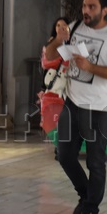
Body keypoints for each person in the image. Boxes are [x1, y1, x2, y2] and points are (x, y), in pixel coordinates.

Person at [44, 0, 107, 214]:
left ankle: (90, 213)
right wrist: (58, 40)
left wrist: (90, 67)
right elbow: (50, 55)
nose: (86, 11)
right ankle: (85, 195)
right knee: (64, 156)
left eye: (92, 7)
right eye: (84, 6)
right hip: (72, 103)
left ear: (104, 10)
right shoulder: (74, 27)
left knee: (95, 162)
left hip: (100, 108)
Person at [39, 17, 70, 160]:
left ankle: (65, 147)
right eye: (58, 25)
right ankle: (59, 147)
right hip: (55, 89)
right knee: (55, 119)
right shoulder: (51, 45)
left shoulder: (72, 43)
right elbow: (46, 64)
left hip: (69, 87)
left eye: (64, 25)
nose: (61, 28)